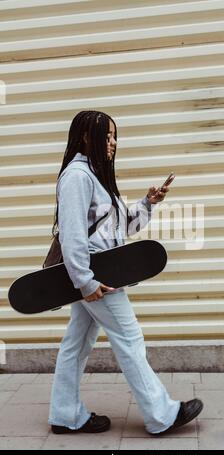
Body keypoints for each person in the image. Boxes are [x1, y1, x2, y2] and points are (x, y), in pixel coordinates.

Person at [48, 110, 203, 435]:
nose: (113, 143)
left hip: (99, 273)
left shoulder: (96, 176)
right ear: (87, 137)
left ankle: (64, 415)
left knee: (75, 344)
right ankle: (161, 415)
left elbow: (121, 227)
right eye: (107, 137)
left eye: (115, 137)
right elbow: (72, 235)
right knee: (130, 338)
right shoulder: (77, 176)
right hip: (96, 277)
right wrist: (85, 282)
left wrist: (148, 203)